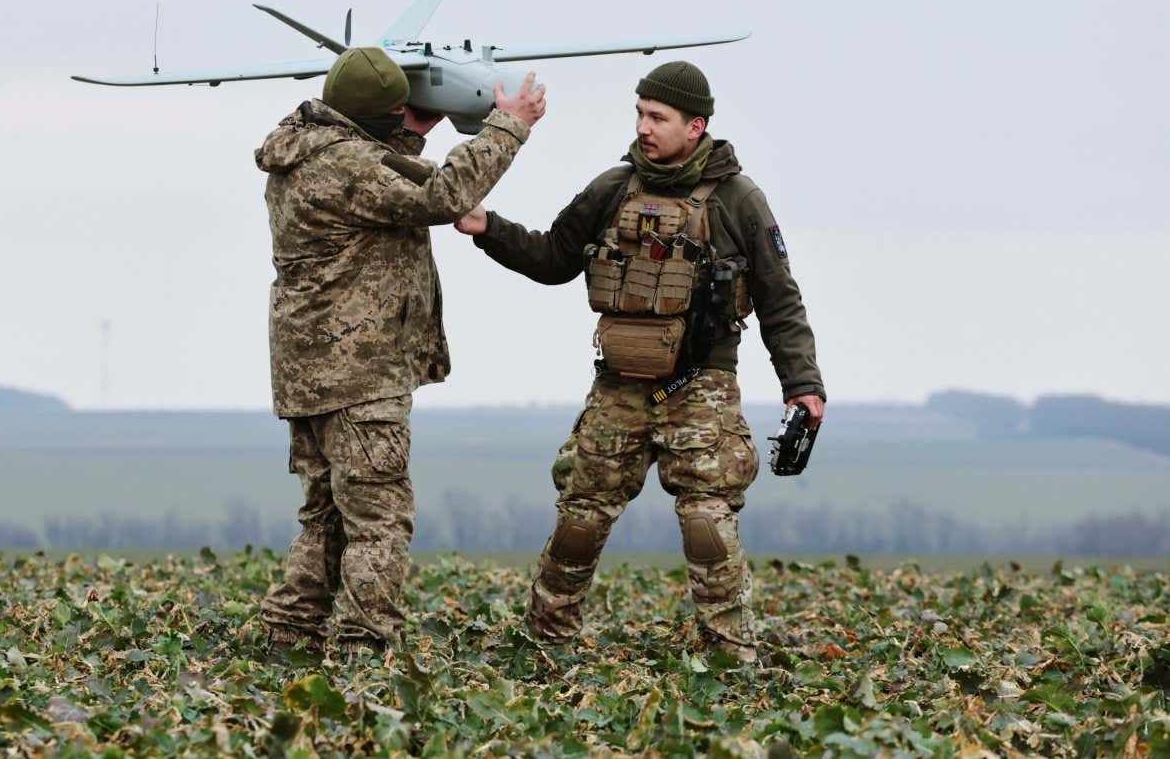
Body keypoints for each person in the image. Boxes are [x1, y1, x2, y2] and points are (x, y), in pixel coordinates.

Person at [453, 61, 823, 663]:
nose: (644, 127)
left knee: (707, 524)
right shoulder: (612, 188)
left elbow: (781, 298)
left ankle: (732, 660)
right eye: (640, 114)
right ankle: (546, 647)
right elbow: (552, 257)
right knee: (580, 519)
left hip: (701, 386)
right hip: (619, 387)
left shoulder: (739, 200)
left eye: (659, 117)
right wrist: (487, 227)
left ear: (695, 126)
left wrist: (802, 385)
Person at [255, 47, 546, 656]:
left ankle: (289, 633)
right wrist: (509, 124)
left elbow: (380, 178)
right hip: (359, 373)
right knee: (378, 520)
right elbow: (440, 196)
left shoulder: (303, 149)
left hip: (311, 373)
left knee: (326, 515)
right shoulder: (348, 169)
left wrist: (406, 135)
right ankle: (365, 647)